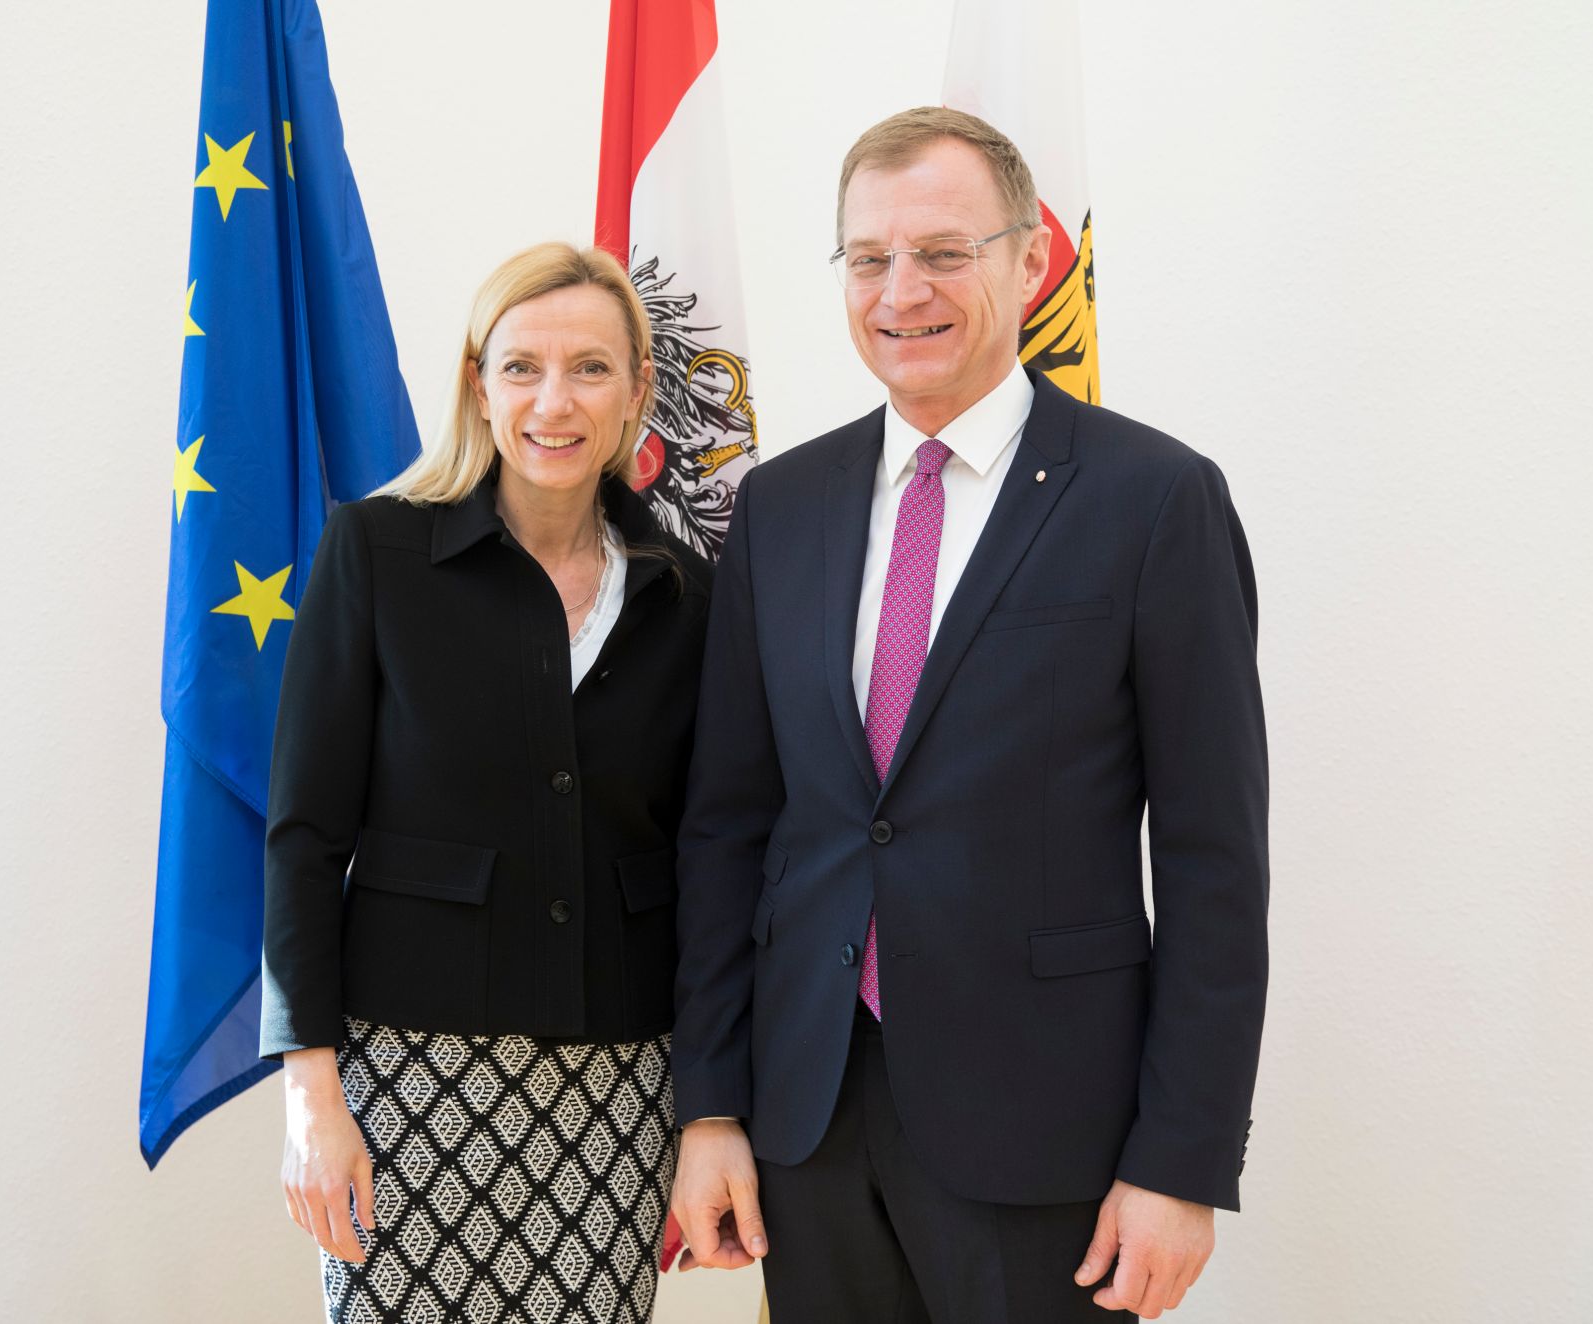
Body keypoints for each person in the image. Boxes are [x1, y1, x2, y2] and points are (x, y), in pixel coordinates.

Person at [669, 107, 1269, 1322]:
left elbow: (1212, 859)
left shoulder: (1155, 500)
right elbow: (729, 828)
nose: (903, 290)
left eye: (944, 251)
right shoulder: (778, 509)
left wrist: (1179, 1161)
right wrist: (710, 1103)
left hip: (1049, 1127)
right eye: (870, 258)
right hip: (810, 1115)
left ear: (1029, 259)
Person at [261, 242, 713, 1323]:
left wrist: (705, 1111)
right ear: (477, 381)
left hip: (618, 1081)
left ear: (638, 390)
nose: (553, 402)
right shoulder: (374, 551)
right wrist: (309, 1096)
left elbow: (709, 859)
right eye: (520, 367)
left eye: (591, 369)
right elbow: (303, 835)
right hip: (409, 1078)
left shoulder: (687, 592)